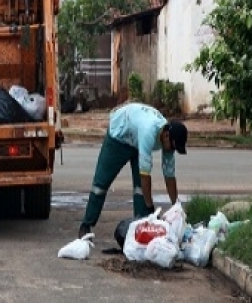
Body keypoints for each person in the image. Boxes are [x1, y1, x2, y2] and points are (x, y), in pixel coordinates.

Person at [78, 102, 188, 238]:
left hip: (136, 141)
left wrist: (176, 207)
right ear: (166, 136)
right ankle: (86, 224)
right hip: (119, 137)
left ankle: (142, 226)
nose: (171, 151)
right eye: (172, 147)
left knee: (140, 190)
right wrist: (150, 208)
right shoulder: (149, 131)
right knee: (101, 184)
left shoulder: (169, 139)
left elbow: (169, 175)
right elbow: (145, 176)